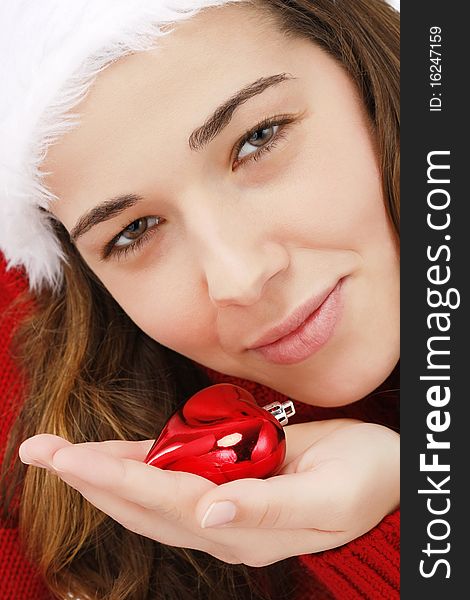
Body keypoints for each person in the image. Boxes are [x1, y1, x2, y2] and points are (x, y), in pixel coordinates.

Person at [0, 1, 400, 598]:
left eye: (258, 140)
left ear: (370, 76)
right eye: (133, 231)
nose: (238, 278)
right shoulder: (39, 458)